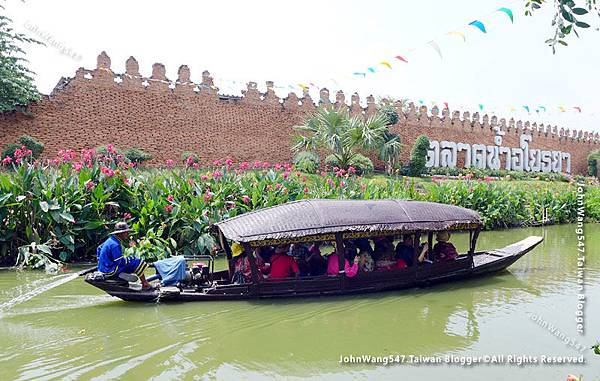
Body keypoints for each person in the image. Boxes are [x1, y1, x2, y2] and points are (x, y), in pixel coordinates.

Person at [97, 221, 153, 289]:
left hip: (103, 269)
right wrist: (130, 259)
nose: (127, 234)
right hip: (111, 271)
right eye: (126, 232)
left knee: (132, 262)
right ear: (120, 233)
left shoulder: (110, 240)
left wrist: (101, 262)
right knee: (137, 262)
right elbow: (120, 261)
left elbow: (99, 248)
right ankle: (145, 283)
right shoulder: (115, 245)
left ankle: (124, 275)